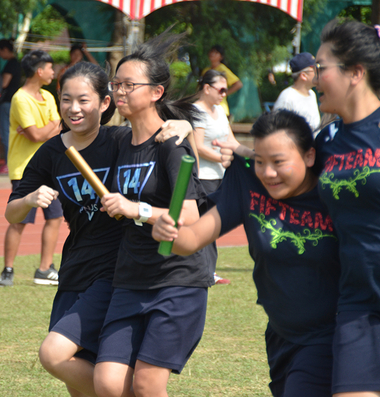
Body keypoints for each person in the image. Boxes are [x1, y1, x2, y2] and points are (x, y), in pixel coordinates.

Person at [6, 62, 194, 397]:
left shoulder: (119, 140)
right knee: (75, 380)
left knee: (54, 354)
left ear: (104, 103)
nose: (73, 109)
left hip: (113, 273)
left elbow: (154, 135)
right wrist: (31, 198)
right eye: (66, 100)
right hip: (74, 272)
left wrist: (183, 126)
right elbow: (11, 211)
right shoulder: (52, 152)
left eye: (83, 100)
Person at [153, 110, 340, 397]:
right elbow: (190, 240)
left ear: (310, 156)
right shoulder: (250, 185)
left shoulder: (337, 192)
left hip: (331, 334)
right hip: (281, 336)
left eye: (279, 162)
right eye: (261, 162)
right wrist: (165, 230)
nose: (268, 173)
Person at [93, 32, 213, 397]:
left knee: (146, 385)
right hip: (131, 278)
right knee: (109, 383)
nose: (119, 92)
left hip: (176, 280)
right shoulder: (118, 141)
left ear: (156, 92)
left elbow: (190, 217)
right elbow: (77, 134)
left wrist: (136, 209)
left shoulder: (172, 145)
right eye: (116, 84)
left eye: (129, 85)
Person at [312, 19, 380, 397]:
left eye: (321, 67)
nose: (313, 78)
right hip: (359, 303)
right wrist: (182, 129)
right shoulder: (326, 139)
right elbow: (277, 163)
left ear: (355, 73)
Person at [0, 50, 63, 287]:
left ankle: (44, 269)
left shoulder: (47, 96)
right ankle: (8, 269)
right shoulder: (20, 98)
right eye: (50, 67)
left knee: (55, 217)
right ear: (39, 70)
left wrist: (43, 129)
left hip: (51, 168)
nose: (52, 72)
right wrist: (49, 128)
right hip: (25, 169)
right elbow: (38, 135)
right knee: (19, 221)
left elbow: (55, 127)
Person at [193, 69, 241, 285]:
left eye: (225, 90)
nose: (224, 94)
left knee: (213, 225)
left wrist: (244, 155)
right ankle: (205, 272)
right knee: (205, 225)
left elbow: (231, 139)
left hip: (220, 176)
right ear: (206, 88)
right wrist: (221, 158)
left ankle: (207, 271)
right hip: (203, 177)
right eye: (221, 89)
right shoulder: (197, 111)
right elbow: (198, 146)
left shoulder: (220, 111)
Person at [273, 52, 321, 134]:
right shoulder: (287, 98)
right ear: (303, 76)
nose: (318, 72)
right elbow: (276, 132)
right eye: (314, 69)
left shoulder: (312, 94)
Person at [0, 39, 22, 174]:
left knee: (6, 133)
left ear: (5, 49)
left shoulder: (11, 64)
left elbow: (4, 83)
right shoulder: (17, 63)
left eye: (0, 51)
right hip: (15, 102)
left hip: (7, 102)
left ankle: (8, 163)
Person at [201, 45, 243, 118]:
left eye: (216, 52)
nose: (212, 54)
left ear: (221, 57)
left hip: (220, 107)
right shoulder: (206, 71)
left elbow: (238, 84)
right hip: (206, 106)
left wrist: (224, 93)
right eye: (211, 51)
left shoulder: (223, 69)